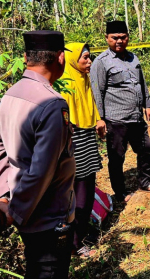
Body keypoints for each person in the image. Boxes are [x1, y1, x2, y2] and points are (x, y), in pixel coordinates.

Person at [0, 31, 86, 279]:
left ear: (27, 58)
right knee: (42, 272)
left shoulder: (10, 96)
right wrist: (16, 211)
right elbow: (43, 171)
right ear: (60, 59)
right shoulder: (51, 104)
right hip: (45, 207)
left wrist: (0, 196)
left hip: (24, 201)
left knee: (54, 262)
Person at [91, 20, 150, 202]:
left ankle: (144, 182)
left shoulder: (133, 58)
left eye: (123, 37)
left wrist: (147, 105)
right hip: (116, 119)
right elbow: (96, 91)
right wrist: (100, 119)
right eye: (114, 38)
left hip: (136, 116)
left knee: (145, 148)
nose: (119, 41)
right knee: (117, 157)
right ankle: (120, 191)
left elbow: (142, 82)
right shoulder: (101, 62)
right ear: (107, 38)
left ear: (128, 38)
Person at [60, 42, 105, 258]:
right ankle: (73, 243)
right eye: (85, 57)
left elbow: (91, 103)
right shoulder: (63, 82)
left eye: (90, 57)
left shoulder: (84, 78)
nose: (89, 61)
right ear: (72, 59)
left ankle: (79, 239)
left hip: (86, 135)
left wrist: (97, 119)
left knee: (86, 189)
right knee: (75, 193)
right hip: (72, 138)